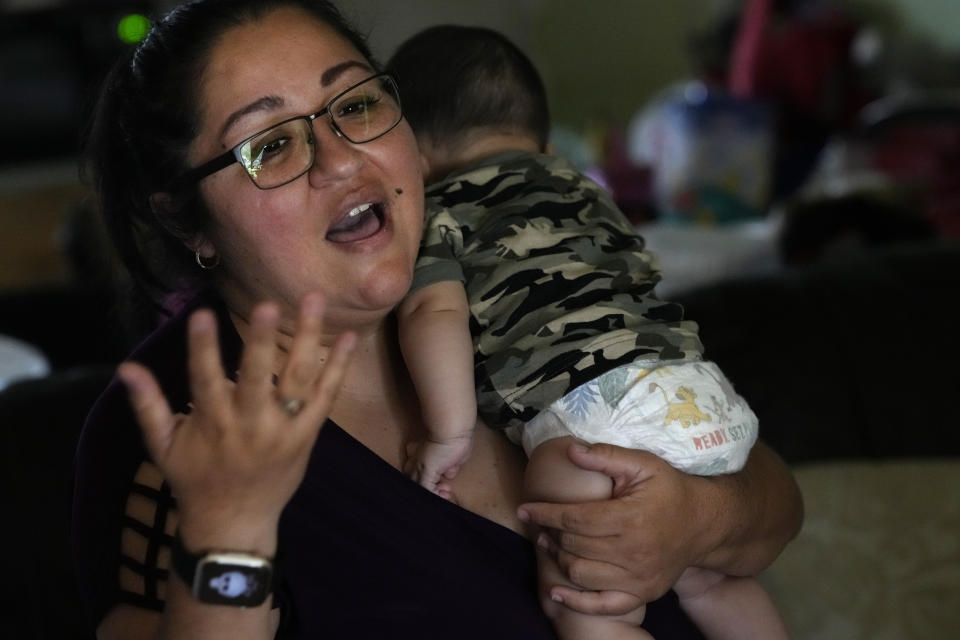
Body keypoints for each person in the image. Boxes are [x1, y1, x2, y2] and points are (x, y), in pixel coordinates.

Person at [71, 2, 803, 639]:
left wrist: (693, 521)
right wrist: (229, 538)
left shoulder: (496, 267)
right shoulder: (171, 422)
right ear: (188, 223)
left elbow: (773, 504)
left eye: (355, 105)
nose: (342, 160)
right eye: (271, 145)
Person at [389, 25, 790, 640]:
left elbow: (433, 314)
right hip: (703, 397)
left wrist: (447, 435)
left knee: (582, 605)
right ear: (544, 143)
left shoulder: (441, 209)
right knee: (713, 581)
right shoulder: (585, 188)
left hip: (594, 419)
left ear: (412, 156)